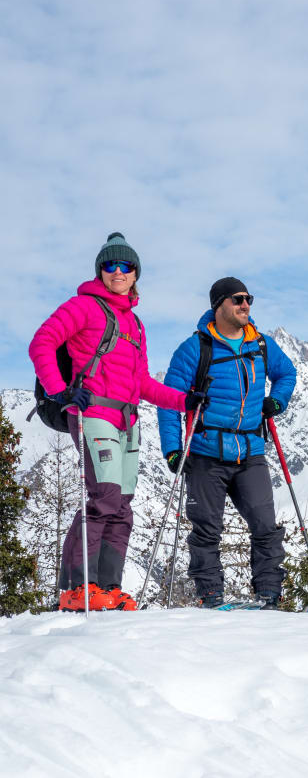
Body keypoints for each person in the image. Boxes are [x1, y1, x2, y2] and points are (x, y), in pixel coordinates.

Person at [28, 232, 207, 611]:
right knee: (103, 497)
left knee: (122, 505)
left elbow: (141, 383)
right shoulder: (83, 307)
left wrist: (183, 402)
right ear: (100, 271)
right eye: (110, 265)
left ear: (135, 273)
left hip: (128, 421)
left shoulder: (136, 324)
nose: (118, 272)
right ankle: (77, 589)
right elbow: (41, 342)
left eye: (125, 266)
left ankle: (108, 587)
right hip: (93, 414)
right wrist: (60, 391)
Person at [157, 276, 296, 609]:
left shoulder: (260, 344)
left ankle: (269, 595)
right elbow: (168, 401)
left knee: (265, 526)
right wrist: (173, 449)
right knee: (206, 529)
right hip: (205, 454)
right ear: (218, 306)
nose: (245, 304)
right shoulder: (194, 349)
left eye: (248, 298)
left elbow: (286, 373)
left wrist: (276, 400)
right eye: (237, 299)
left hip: (250, 452)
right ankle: (211, 595)